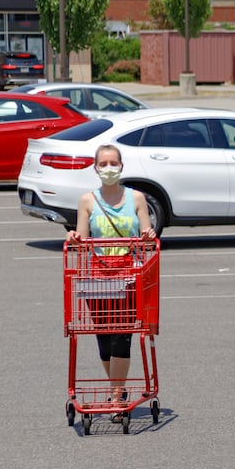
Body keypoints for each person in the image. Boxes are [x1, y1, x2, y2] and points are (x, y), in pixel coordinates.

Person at [66, 144, 156, 419]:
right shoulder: (87, 201)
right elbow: (82, 237)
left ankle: (117, 396)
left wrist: (148, 235)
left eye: (113, 163)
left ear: (121, 166)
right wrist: (74, 238)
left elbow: (146, 232)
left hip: (129, 276)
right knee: (104, 338)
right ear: (95, 168)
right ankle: (117, 388)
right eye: (103, 164)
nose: (108, 169)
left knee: (122, 336)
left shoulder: (137, 198)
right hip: (97, 279)